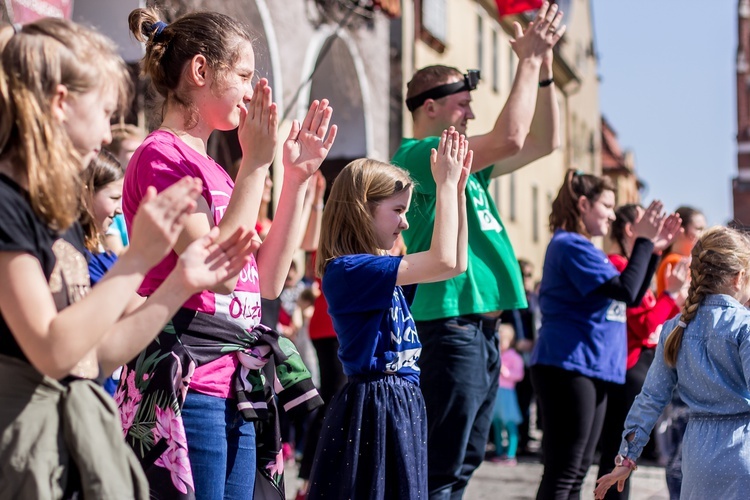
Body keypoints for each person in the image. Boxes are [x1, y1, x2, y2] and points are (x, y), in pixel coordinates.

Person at [0, 18, 254, 498]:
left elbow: (95, 356)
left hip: (60, 438)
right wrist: (137, 260)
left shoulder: (53, 213)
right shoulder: (7, 205)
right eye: (104, 111)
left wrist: (181, 279)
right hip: (19, 441)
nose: (108, 133)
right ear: (59, 104)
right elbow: (53, 352)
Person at [120, 8, 334, 499]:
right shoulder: (161, 154)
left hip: (238, 383)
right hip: (188, 381)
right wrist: (256, 162)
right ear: (200, 71)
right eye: (242, 75)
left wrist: (296, 178)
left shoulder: (215, 169)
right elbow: (213, 271)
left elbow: (267, 282)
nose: (252, 88)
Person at [391, 2, 565, 497]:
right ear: (431, 107)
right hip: (448, 325)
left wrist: (545, 68)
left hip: (481, 329)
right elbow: (511, 138)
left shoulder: (469, 166)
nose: (471, 114)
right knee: (441, 466)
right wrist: (526, 60)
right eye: (463, 104)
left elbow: (541, 143)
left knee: (463, 463)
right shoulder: (416, 155)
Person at [308, 129, 471, 499]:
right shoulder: (350, 270)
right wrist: (443, 186)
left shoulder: (379, 268)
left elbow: (455, 264)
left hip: (400, 398)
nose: (405, 222)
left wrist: (457, 190)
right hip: (375, 404)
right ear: (362, 208)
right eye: (397, 210)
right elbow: (443, 258)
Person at [530, 170, 681, 500]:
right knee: (565, 470)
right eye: (607, 206)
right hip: (568, 365)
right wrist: (642, 241)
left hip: (590, 366)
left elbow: (634, 291)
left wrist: (652, 250)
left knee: (578, 468)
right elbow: (626, 291)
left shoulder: (587, 249)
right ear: (583, 205)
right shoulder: (570, 245)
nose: (612, 215)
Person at [596, 226, 750, 500]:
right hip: (742, 448)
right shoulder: (744, 325)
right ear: (739, 277)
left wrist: (627, 458)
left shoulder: (674, 329)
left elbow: (650, 399)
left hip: (697, 456)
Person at [595, 204, 689, 500]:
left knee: (623, 457)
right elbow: (645, 322)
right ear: (629, 230)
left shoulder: (632, 267)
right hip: (627, 366)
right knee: (617, 454)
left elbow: (654, 321)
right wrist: (671, 293)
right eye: (647, 221)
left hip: (639, 363)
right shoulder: (616, 264)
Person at [78, 150, 127, 395]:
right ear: (86, 193)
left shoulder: (104, 254)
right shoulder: (78, 260)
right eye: (114, 197)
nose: (119, 211)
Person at [102, 123, 146, 255]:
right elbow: (116, 254)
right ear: (111, 155)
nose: (140, 155)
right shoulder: (109, 201)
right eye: (131, 151)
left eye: (141, 149)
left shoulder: (142, 190)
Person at [491, 323, 525, 466]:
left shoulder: (514, 356)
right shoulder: (495, 354)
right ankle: (499, 452)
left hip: (507, 395)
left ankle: (510, 454)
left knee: (510, 424)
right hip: (496, 394)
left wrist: (506, 372)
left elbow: (519, 375)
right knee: (497, 424)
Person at [655, 206, 706, 296]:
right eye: (699, 229)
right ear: (681, 229)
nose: (704, 234)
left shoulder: (677, 259)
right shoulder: (675, 261)